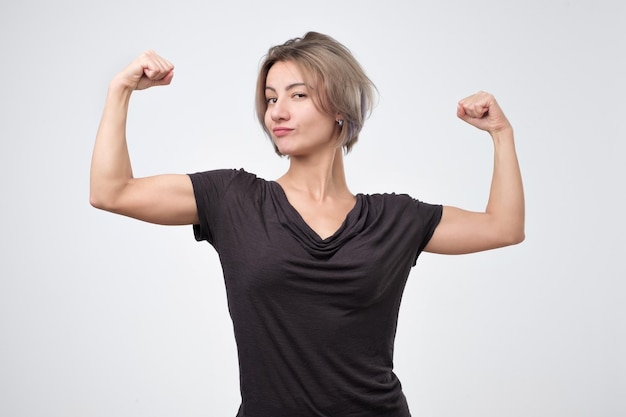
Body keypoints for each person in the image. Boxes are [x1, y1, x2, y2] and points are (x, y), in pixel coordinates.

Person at [90, 32, 524, 417]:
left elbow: (503, 226)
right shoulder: (234, 200)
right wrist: (120, 89)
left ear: (339, 107)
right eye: (271, 97)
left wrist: (501, 134)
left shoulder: (394, 219)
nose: (278, 111)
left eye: (297, 95)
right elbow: (112, 191)